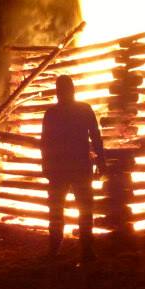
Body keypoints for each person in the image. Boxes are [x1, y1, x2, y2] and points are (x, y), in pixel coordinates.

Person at [40, 74, 106, 259]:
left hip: (63, 168)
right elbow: (95, 137)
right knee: (77, 209)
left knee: (62, 209)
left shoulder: (54, 112)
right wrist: (101, 162)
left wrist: (46, 165)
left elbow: (45, 142)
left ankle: (67, 247)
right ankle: (80, 248)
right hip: (75, 168)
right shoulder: (80, 109)